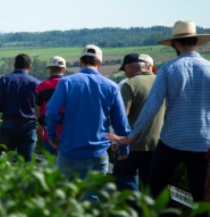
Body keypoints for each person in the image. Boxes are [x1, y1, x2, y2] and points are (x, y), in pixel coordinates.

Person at [107, 20, 210, 203]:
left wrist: (131, 136)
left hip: (172, 139)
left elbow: (151, 107)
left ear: (175, 44)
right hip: (203, 141)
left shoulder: (169, 69)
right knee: (201, 194)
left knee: (155, 186)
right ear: (196, 42)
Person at [45, 44, 130, 181]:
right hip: (98, 153)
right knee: (92, 197)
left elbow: (51, 112)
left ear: (80, 61)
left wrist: (53, 137)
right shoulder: (111, 87)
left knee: (67, 197)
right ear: (100, 63)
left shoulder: (66, 82)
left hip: (69, 152)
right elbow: (120, 122)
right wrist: (124, 147)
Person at [113, 53, 165, 192]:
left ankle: (133, 210)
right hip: (157, 143)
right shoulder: (162, 81)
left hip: (133, 144)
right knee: (151, 184)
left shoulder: (129, 84)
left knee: (123, 177)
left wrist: (117, 141)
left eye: (125, 70)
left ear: (130, 67)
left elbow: (122, 115)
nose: (125, 74)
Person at [0, 53, 40, 162]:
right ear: (29, 67)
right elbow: (39, 107)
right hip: (28, 126)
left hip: (8, 124)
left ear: (14, 65)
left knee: (3, 162)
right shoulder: (36, 83)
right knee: (26, 163)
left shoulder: (4, 80)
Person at [35, 56, 66, 156]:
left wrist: (41, 124)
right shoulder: (71, 84)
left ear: (50, 70)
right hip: (68, 135)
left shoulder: (42, 86)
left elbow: (37, 111)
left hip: (49, 135)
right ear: (64, 69)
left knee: (52, 168)